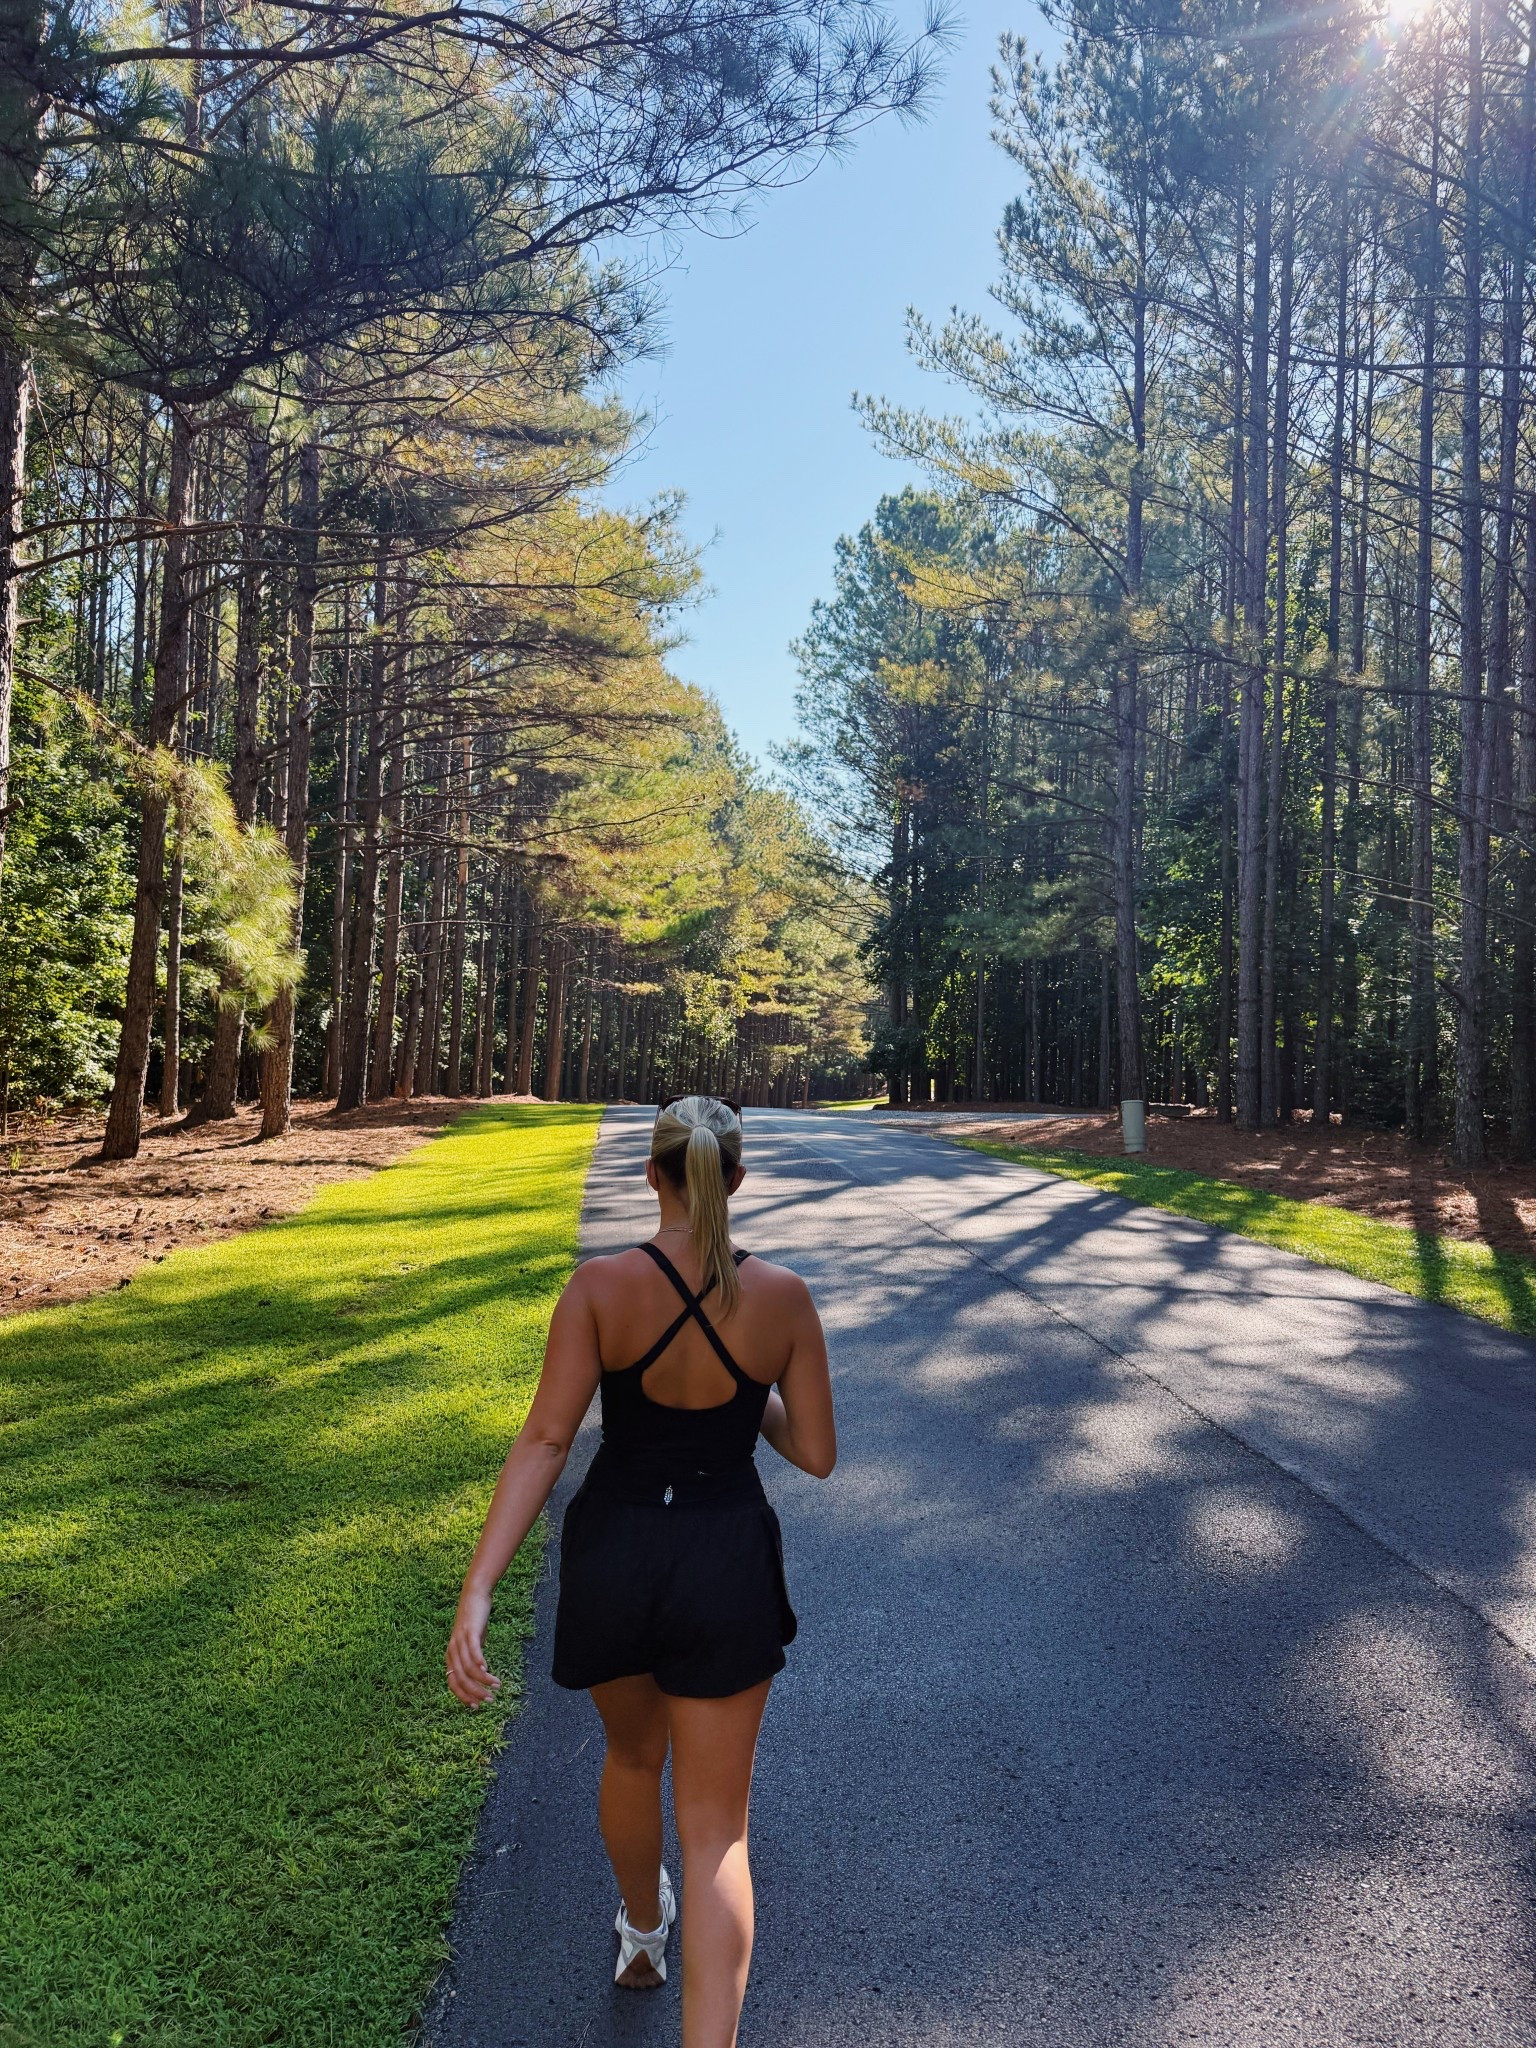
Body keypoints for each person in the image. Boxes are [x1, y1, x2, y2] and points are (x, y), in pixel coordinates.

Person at [446, 1093, 836, 2047]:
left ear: (651, 1173)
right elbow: (817, 1454)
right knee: (717, 1833)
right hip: (724, 1558)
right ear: (734, 1179)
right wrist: (747, 1401)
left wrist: (480, 1589)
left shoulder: (599, 1289)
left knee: (630, 1755)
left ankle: (641, 1936)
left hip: (616, 1549)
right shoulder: (780, 1297)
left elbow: (545, 1439)